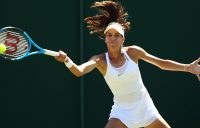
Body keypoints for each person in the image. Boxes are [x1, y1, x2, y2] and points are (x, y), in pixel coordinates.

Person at [54, 1, 200, 128]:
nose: (112, 39)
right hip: (121, 113)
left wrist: (188, 67)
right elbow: (79, 71)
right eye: (109, 35)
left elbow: (161, 63)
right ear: (105, 39)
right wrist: (67, 60)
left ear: (123, 39)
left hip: (145, 108)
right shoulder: (100, 60)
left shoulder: (133, 52)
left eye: (117, 35)